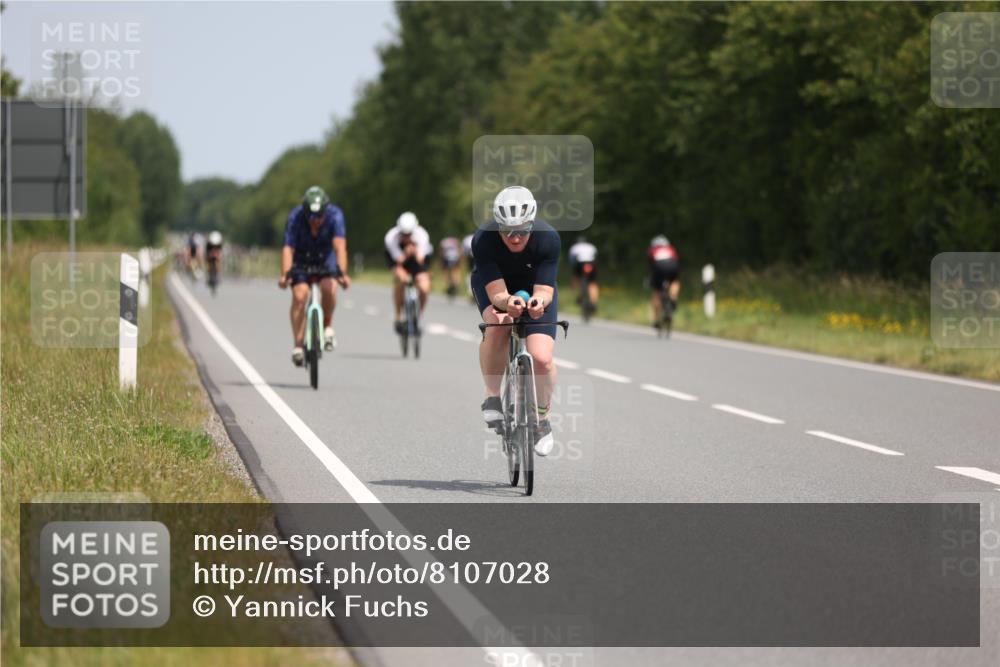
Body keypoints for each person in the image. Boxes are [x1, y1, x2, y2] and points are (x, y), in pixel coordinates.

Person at [472, 185, 560, 456]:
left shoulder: (548, 239)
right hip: (496, 288)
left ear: (532, 224)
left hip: (536, 288)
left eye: (522, 230)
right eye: (507, 230)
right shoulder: (483, 240)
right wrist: (508, 303)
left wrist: (537, 303)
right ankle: (492, 397)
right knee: (498, 325)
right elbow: (497, 293)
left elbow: (545, 291)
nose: (515, 237)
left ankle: (541, 421)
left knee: (542, 358)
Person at [278, 186, 351, 366]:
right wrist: (285, 274)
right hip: (302, 258)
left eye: (319, 216)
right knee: (300, 296)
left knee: (329, 287)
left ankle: (327, 325)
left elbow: (340, 246)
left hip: (325, 258)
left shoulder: (335, 216)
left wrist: (342, 272)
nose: (315, 221)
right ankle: (298, 345)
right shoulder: (295, 217)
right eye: (311, 216)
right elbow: (288, 248)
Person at [384, 212, 433, 332]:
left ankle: (418, 315)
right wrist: (406, 253)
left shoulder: (421, 235)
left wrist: (414, 251)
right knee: (401, 279)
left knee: (424, 287)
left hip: (417, 259)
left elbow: (421, 260)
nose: (406, 237)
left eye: (409, 234)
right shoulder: (391, 237)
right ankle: (398, 316)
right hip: (399, 259)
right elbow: (398, 260)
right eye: (403, 234)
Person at [648, 235, 680, 327]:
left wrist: (651, 280)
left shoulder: (652, 250)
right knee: (674, 282)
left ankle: (656, 320)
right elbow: (676, 260)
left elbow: (651, 266)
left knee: (656, 292)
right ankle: (673, 298)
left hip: (658, 267)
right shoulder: (671, 249)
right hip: (672, 265)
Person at [568, 235, 599, 312]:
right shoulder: (591, 246)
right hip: (592, 264)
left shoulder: (574, 247)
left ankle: (579, 295)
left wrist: (574, 270)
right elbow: (596, 257)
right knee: (592, 283)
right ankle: (593, 302)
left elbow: (572, 260)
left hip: (580, 264)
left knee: (576, 277)